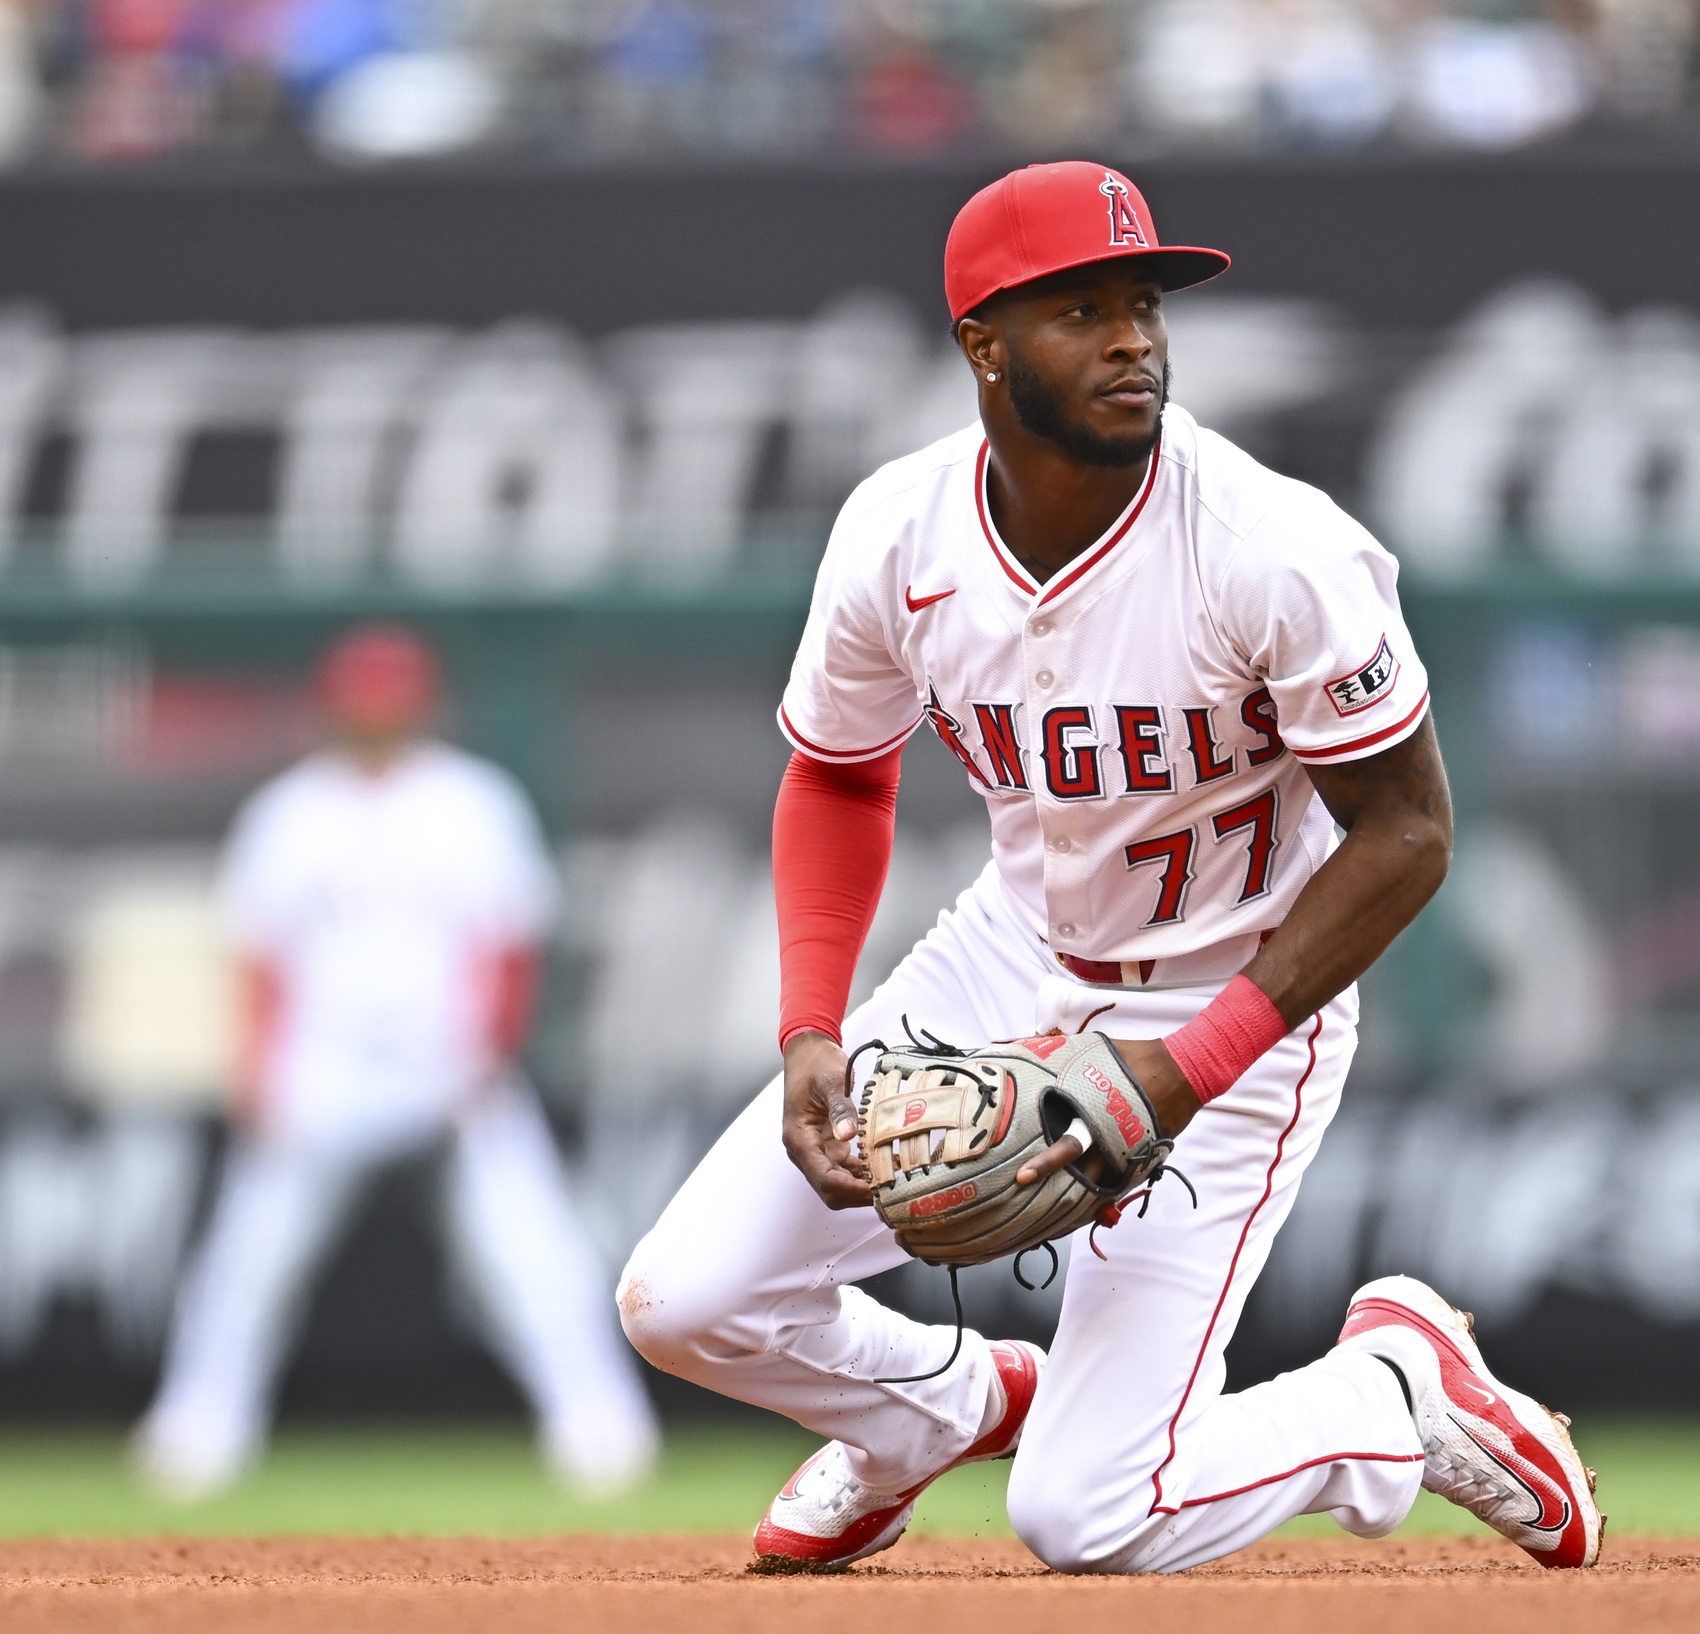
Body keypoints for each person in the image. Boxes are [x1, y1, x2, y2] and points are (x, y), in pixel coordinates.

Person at [615, 162, 1600, 1574]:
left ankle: (1386, 1395)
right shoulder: (899, 533)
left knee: (1085, 1515)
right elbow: (837, 769)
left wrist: (1183, 1068)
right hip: (1006, 957)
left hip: (1238, 1003)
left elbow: (1407, 833)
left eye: (1141, 304)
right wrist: (810, 1024)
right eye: (1080, 309)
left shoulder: (1268, 547)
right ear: (982, 344)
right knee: (681, 1299)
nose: (1131, 339)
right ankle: (938, 1412)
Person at [136, 625, 660, 1500]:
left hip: (445, 1061)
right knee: (252, 1260)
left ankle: (600, 1429)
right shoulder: (290, 811)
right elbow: (262, 957)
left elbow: (510, 943)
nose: (375, 716)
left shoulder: (470, 802)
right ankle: (196, 1430)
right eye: (361, 700)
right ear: (334, 707)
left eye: (390, 699)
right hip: (326, 1064)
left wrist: (488, 1052)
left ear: (420, 705)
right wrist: (260, 1067)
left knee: (533, 1257)